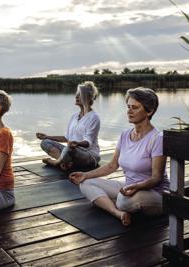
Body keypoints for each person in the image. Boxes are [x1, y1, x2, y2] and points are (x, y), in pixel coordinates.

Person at [69, 87, 169, 226]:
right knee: (86, 183)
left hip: (154, 193)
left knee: (123, 200)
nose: (129, 111)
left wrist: (137, 186)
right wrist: (86, 174)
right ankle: (117, 213)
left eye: (135, 107)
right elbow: (112, 166)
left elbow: (156, 178)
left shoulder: (157, 138)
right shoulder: (124, 135)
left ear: (149, 111)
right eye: (128, 106)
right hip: (129, 188)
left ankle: (117, 204)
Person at [36, 81, 100, 171]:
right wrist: (47, 136)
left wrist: (77, 143)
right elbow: (66, 138)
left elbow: (88, 142)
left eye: (79, 95)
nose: (76, 97)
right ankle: (65, 162)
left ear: (88, 98)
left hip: (88, 155)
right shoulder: (74, 116)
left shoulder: (94, 117)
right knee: (45, 142)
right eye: (76, 94)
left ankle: (57, 162)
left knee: (69, 147)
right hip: (70, 151)